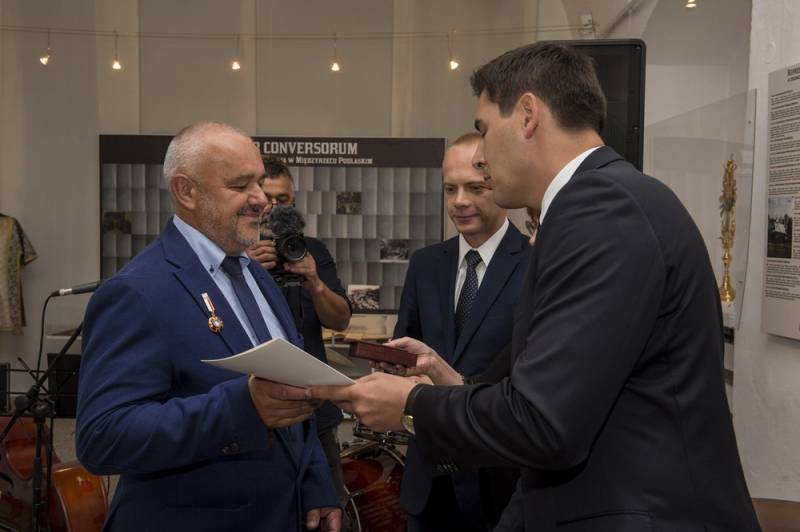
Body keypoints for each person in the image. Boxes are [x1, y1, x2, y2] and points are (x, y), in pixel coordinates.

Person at [310, 42, 761, 532]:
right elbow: (558, 394)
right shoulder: (604, 200)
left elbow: (545, 423)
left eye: (484, 129)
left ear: (527, 115)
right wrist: (452, 383)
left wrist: (411, 406)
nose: (482, 157)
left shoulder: (601, 208)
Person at [76, 122, 341, 532]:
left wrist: (315, 482)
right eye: (240, 185)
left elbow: (293, 394)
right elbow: (103, 437)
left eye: (258, 182)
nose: (260, 199)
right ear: (186, 192)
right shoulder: (136, 291)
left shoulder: (258, 276)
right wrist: (241, 408)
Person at [390, 133, 529, 532]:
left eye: (475, 188)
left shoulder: (537, 263)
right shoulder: (425, 264)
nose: (460, 201)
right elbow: (407, 346)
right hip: (428, 481)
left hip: (501, 482)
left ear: (500, 184)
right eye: (450, 189)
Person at [247, 155, 353, 522]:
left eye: (284, 200)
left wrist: (315, 281)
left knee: (329, 512)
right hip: (255, 410)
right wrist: (246, 267)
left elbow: (340, 320)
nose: (273, 208)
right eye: (268, 198)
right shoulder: (235, 254)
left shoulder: (311, 251)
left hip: (315, 409)